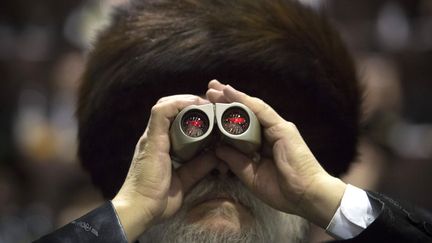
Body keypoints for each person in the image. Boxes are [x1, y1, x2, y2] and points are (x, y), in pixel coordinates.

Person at [34, 0, 432, 242]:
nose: (221, 166)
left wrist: (326, 197)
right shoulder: (135, 205)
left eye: (245, 131)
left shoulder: (314, 194)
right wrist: (127, 213)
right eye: (188, 137)